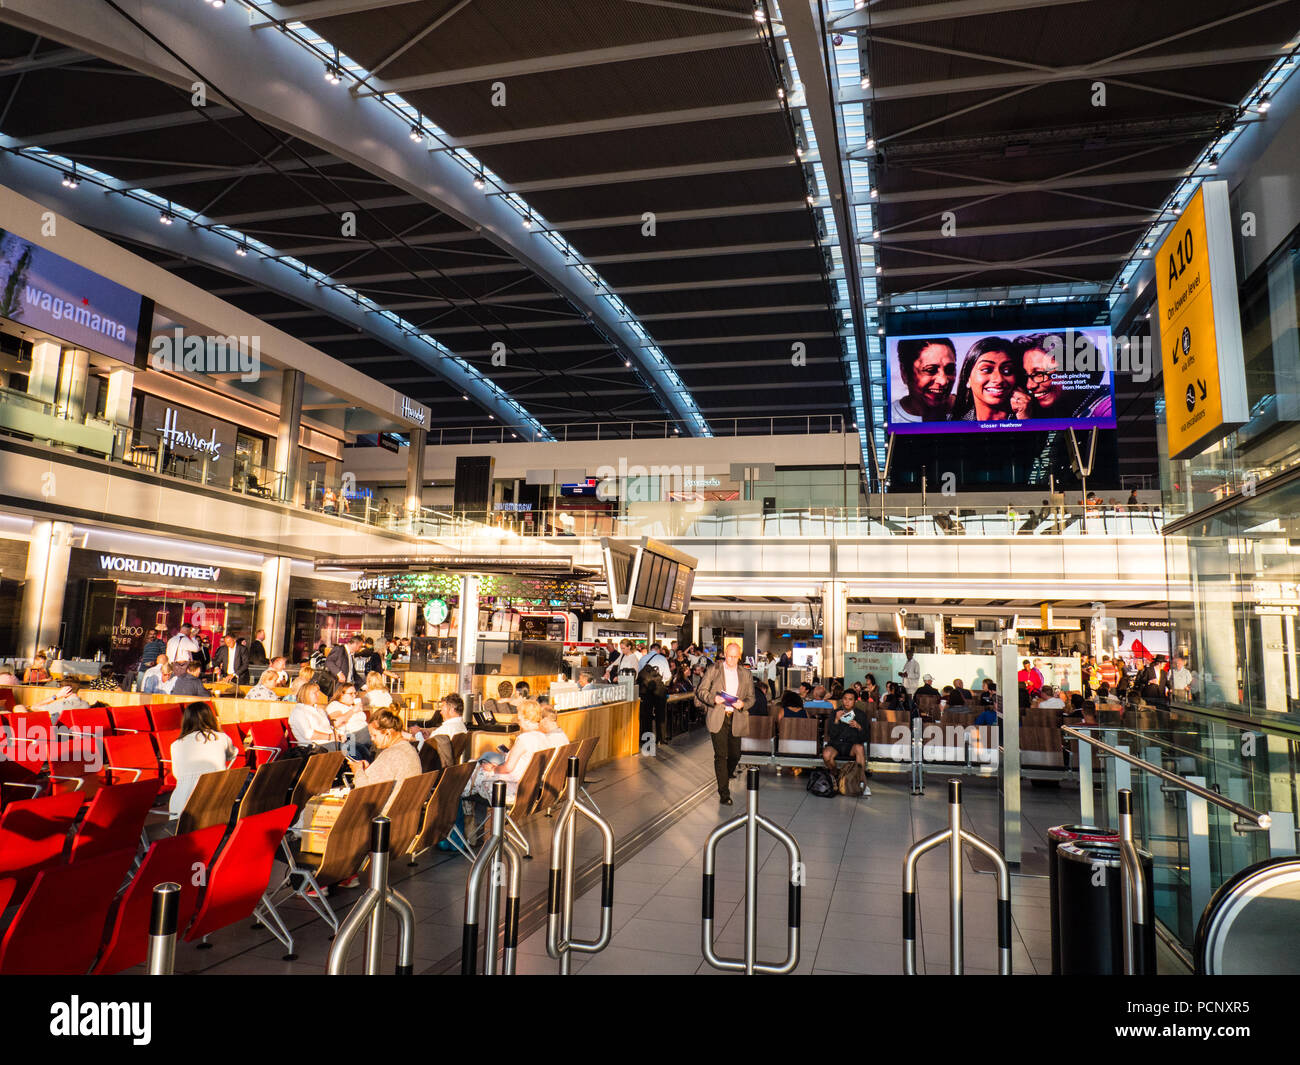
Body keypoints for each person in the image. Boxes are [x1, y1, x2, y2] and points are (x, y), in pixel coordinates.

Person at [693, 642, 755, 805]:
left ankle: (725, 775)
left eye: (735, 657)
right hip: (718, 716)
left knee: (735, 754)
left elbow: (751, 697)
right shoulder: (714, 669)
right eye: (729, 656)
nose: (731, 659)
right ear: (724, 655)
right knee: (721, 755)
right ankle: (724, 793)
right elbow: (701, 691)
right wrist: (713, 699)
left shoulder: (746, 674)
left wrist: (743, 704)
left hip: (736, 717)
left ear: (739, 657)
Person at [468, 700, 554, 802]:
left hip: (514, 785)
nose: (519, 722)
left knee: (473, 768)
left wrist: (493, 769)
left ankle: (460, 805)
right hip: (529, 785)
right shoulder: (543, 737)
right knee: (479, 769)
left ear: (527, 720)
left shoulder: (524, 739)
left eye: (519, 719)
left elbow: (508, 768)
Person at [168, 702, 238, 816]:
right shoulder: (221, 738)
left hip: (183, 800)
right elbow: (233, 754)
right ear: (210, 718)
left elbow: (177, 774)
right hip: (215, 797)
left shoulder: (176, 744)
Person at [347, 710, 422, 812]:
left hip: (382, 818)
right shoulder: (409, 749)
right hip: (403, 814)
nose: (372, 739)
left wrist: (358, 771)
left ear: (387, 733)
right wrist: (369, 769)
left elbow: (365, 796)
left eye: (374, 735)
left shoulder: (390, 755)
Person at [952, 337, 1021, 421]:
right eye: (986, 370)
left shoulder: (1029, 418)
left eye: (1007, 371)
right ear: (967, 378)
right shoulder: (950, 423)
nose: (999, 379)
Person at [890, 337, 957, 422]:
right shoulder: (890, 418)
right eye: (930, 370)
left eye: (950, 369)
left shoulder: (972, 411)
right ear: (904, 373)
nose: (943, 381)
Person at [822, 689, 870, 794]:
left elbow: (865, 736)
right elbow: (831, 734)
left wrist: (858, 727)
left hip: (852, 745)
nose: (847, 702)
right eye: (845, 699)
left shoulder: (861, 715)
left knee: (860, 748)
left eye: (850, 699)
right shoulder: (835, 713)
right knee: (826, 754)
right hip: (836, 745)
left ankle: (861, 781)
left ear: (855, 701)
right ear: (841, 700)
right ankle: (835, 775)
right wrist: (836, 720)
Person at [637, 642, 672, 744]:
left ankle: (646, 739)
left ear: (650, 649)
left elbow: (639, 673)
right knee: (660, 713)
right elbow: (667, 675)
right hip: (658, 688)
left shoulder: (643, 658)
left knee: (646, 713)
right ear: (659, 650)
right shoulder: (662, 658)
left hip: (645, 689)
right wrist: (662, 682)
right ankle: (661, 739)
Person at [288, 684, 338, 752]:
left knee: (351, 740)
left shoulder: (320, 710)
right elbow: (308, 734)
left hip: (331, 742)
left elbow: (328, 728)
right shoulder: (299, 712)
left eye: (318, 692)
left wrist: (337, 735)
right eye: (315, 692)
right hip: (314, 746)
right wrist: (330, 736)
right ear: (306, 694)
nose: (318, 695)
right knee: (350, 747)